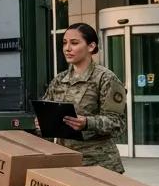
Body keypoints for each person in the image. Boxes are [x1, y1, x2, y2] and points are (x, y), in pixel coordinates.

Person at [41, 23, 127, 173]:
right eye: (65, 43)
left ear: (91, 46)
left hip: (100, 166)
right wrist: (41, 122)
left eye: (74, 43)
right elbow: (46, 123)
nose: (67, 48)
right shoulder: (59, 80)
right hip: (66, 164)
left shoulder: (106, 78)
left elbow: (118, 123)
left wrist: (87, 123)